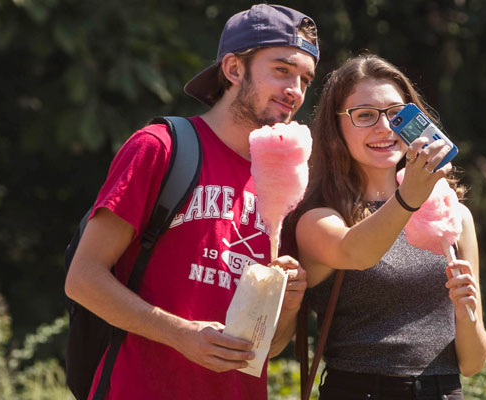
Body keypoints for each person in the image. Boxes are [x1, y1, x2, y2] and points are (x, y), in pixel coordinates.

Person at [64, 4, 318, 399]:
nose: (295, 91)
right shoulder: (161, 147)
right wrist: (180, 333)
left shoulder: (286, 186)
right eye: (282, 70)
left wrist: (286, 305)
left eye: (305, 79)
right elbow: (82, 280)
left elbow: (271, 347)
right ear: (234, 70)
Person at [290, 53, 486, 400]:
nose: (384, 128)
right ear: (336, 127)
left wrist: (465, 313)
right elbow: (356, 252)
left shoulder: (455, 216)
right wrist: (409, 197)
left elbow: (472, 363)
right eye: (364, 115)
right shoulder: (319, 216)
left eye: (397, 115)